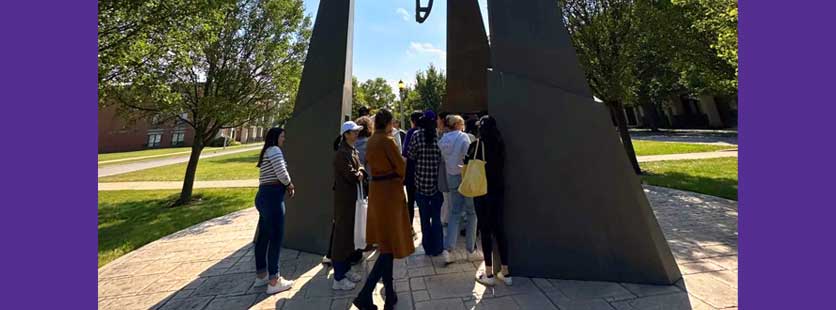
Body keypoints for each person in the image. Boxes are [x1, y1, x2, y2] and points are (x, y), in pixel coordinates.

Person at [353, 109, 415, 310]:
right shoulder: (388, 141)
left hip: (378, 191)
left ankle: (390, 294)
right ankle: (365, 294)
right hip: (390, 192)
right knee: (389, 246)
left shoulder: (371, 140)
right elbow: (401, 167)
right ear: (388, 123)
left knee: (386, 244)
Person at [465, 115, 513, 286]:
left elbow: (466, 163)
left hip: (481, 191)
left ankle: (489, 273)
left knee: (485, 231)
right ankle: (506, 273)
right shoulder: (500, 144)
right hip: (498, 190)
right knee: (500, 229)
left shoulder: (475, 145)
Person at [253, 127, 296, 294]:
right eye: (283, 136)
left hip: (263, 196)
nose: (284, 139)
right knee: (276, 238)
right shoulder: (275, 150)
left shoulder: (266, 151)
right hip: (273, 197)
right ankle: (274, 280)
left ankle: (261, 275)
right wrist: (289, 184)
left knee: (263, 237)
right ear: (276, 137)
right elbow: (281, 170)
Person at [330, 121, 367, 290]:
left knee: (349, 237)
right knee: (342, 238)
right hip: (345, 201)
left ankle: (345, 269)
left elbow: (360, 168)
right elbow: (353, 175)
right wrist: (360, 173)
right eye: (353, 132)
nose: (357, 134)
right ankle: (338, 277)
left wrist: (360, 171)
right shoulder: (342, 153)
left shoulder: (351, 150)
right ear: (346, 134)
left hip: (352, 200)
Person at [438, 114, 478, 264]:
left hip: (451, 175)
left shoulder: (443, 140)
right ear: (459, 124)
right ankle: (470, 250)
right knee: (471, 212)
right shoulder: (463, 137)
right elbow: (468, 156)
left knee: (454, 212)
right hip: (464, 175)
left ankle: (448, 249)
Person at [407, 110, 445, 256]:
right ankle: (438, 246)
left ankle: (428, 248)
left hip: (420, 183)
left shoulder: (417, 135)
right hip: (437, 184)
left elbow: (410, 155)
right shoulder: (439, 136)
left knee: (424, 218)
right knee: (436, 217)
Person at [402, 111, 424, 237]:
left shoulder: (411, 133)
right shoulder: (430, 131)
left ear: (413, 121)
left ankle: (410, 228)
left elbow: (405, 154)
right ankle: (426, 228)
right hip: (425, 172)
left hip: (411, 172)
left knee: (410, 201)